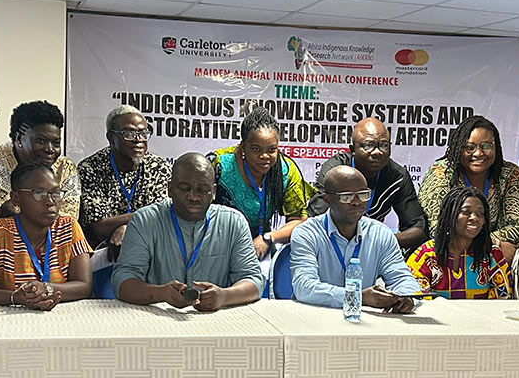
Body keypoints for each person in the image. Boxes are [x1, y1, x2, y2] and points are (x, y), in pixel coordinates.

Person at [113, 153, 264, 311]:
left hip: (217, 320)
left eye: (202, 189)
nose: (193, 196)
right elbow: (122, 281)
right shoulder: (144, 221)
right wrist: (161, 293)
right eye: (185, 188)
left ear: (213, 192)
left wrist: (225, 296)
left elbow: (253, 280)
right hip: (157, 317)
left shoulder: (233, 222)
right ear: (170, 189)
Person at [0, 162, 93, 309]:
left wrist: (47, 289)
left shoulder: (69, 228)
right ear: (16, 198)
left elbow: (84, 285)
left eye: (55, 193)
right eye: (39, 193)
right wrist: (14, 297)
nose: (50, 202)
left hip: (61, 319)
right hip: (7, 321)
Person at [291, 166, 419, 313]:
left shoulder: (380, 233)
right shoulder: (306, 233)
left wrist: (406, 298)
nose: (357, 202)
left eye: (363, 194)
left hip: (364, 321)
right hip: (315, 317)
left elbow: (403, 279)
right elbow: (304, 287)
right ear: (327, 199)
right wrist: (357, 296)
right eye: (347, 196)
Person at [416, 116, 519, 260]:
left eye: (486, 146)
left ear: (496, 146)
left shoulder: (510, 174)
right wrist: (492, 245)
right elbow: (438, 229)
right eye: (470, 147)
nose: (478, 153)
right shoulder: (441, 173)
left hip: (495, 260)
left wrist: (485, 245)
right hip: (446, 257)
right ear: (459, 148)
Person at [307, 117, 427, 252]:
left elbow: (418, 227)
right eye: (369, 145)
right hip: (331, 245)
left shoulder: (397, 176)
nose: (377, 152)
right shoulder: (335, 172)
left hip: (374, 250)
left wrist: (381, 241)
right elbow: (314, 220)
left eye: (384, 145)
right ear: (353, 149)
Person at [211, 107, 313, 260]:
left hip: (258, 251)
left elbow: (299, 221)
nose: (265, 156)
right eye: (256, 149)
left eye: (272, 149)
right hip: (216, 247)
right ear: (243, 146)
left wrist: (268, 238)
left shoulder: (286, 171)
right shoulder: (219, 164)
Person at [76, 104, 170, 257]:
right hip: (101, 256)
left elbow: (161, 219)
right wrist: (142, 217)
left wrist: (126, 227)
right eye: (129, 133)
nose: (138, 139)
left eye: (143, 132)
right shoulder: (90, 168)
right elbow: (99, 227)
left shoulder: (159, 167)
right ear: (111, 137)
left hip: (148, 252)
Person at [407, 186, 511, 299]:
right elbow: (415, 298)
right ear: (449, 215)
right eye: (466, 212)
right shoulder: (425, 256)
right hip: (437, 315)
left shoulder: (491, 254)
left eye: (480, 213)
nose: (474, 218)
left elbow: (502, 297)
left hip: (480, 316)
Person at [0, 100, 80, 219]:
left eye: (56, 143)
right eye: (41, 141)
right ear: (19, 139)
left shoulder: (66, 167)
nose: (50, 149)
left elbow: (68, 219)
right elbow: (4, 210)